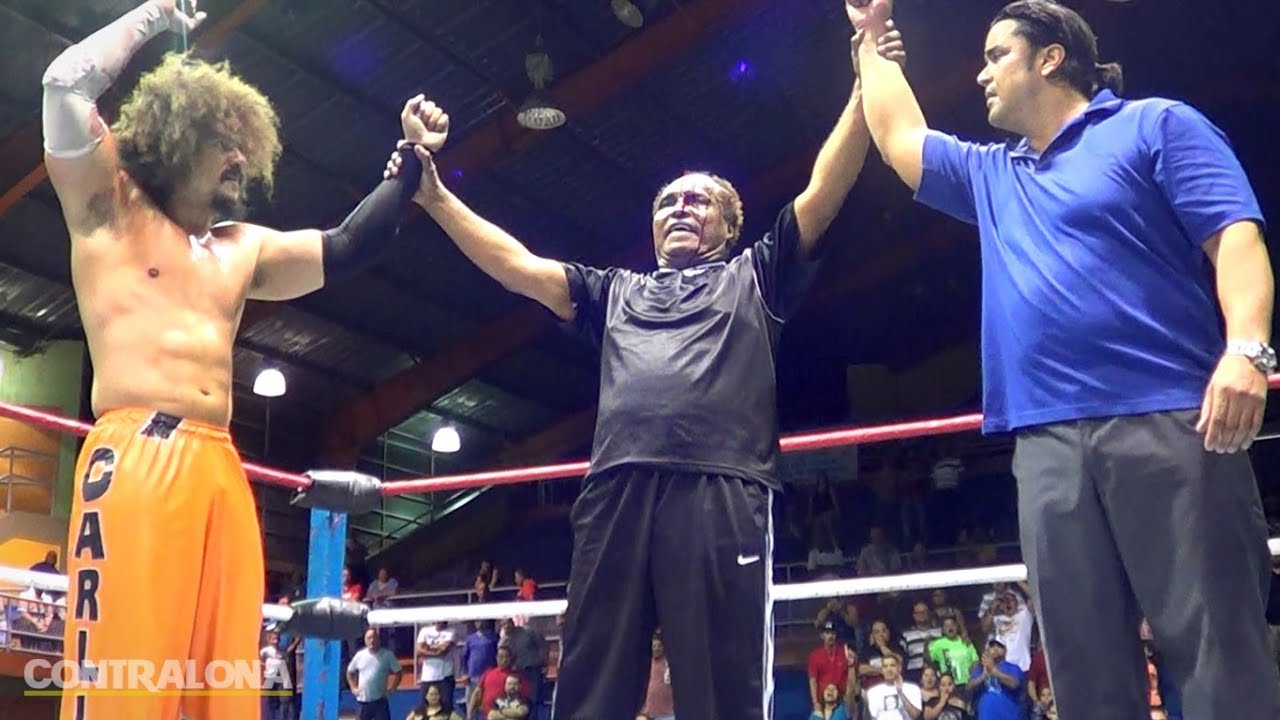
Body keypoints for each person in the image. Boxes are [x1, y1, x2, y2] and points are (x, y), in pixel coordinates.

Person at [383, 9, 906, 718]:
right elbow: (518, 266)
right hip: (616, 494)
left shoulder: (758, 275)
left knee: (721, 691)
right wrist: (433, 194)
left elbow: (825, 188)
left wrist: (864, 73)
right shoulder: (614, 292)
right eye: (668, 202)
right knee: (594, 680)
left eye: (698, 201)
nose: (681, 209)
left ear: (729, 223)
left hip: (720, 492)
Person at [849, 0, 1280, 718]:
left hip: (1170, 418)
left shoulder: (1155, 125)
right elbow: (899, 134)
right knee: (1081, 664)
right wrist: (869, 43)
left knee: (1218, 650)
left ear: (1050, 58)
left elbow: (1234, 237)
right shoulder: (994, 175)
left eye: (996, 56)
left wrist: (1246, 350)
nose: (980, 73)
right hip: (1045, 442)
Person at [39, 1, 440, 717]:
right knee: (125, 673)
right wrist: (156, 14)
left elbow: (348, 245)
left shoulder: (241, 247)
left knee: (221, 680)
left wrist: (409, 163)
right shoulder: (109, 206)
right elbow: (65, 85)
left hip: (218, 463)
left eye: (241, 145)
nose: (238, 158)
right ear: (176, 138)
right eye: (223, 141)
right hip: (134, 455)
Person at [347, 628, 406, 720]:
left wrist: (392, 689)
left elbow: (398, 673)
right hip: (363, 701)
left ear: (379, 639)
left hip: (380, 701)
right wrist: (353, 688)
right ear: (365, 640)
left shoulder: (387, 655)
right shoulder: (360, 655)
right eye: (369, 638)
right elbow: (350, 672)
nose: (372, 641)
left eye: (374, 638)